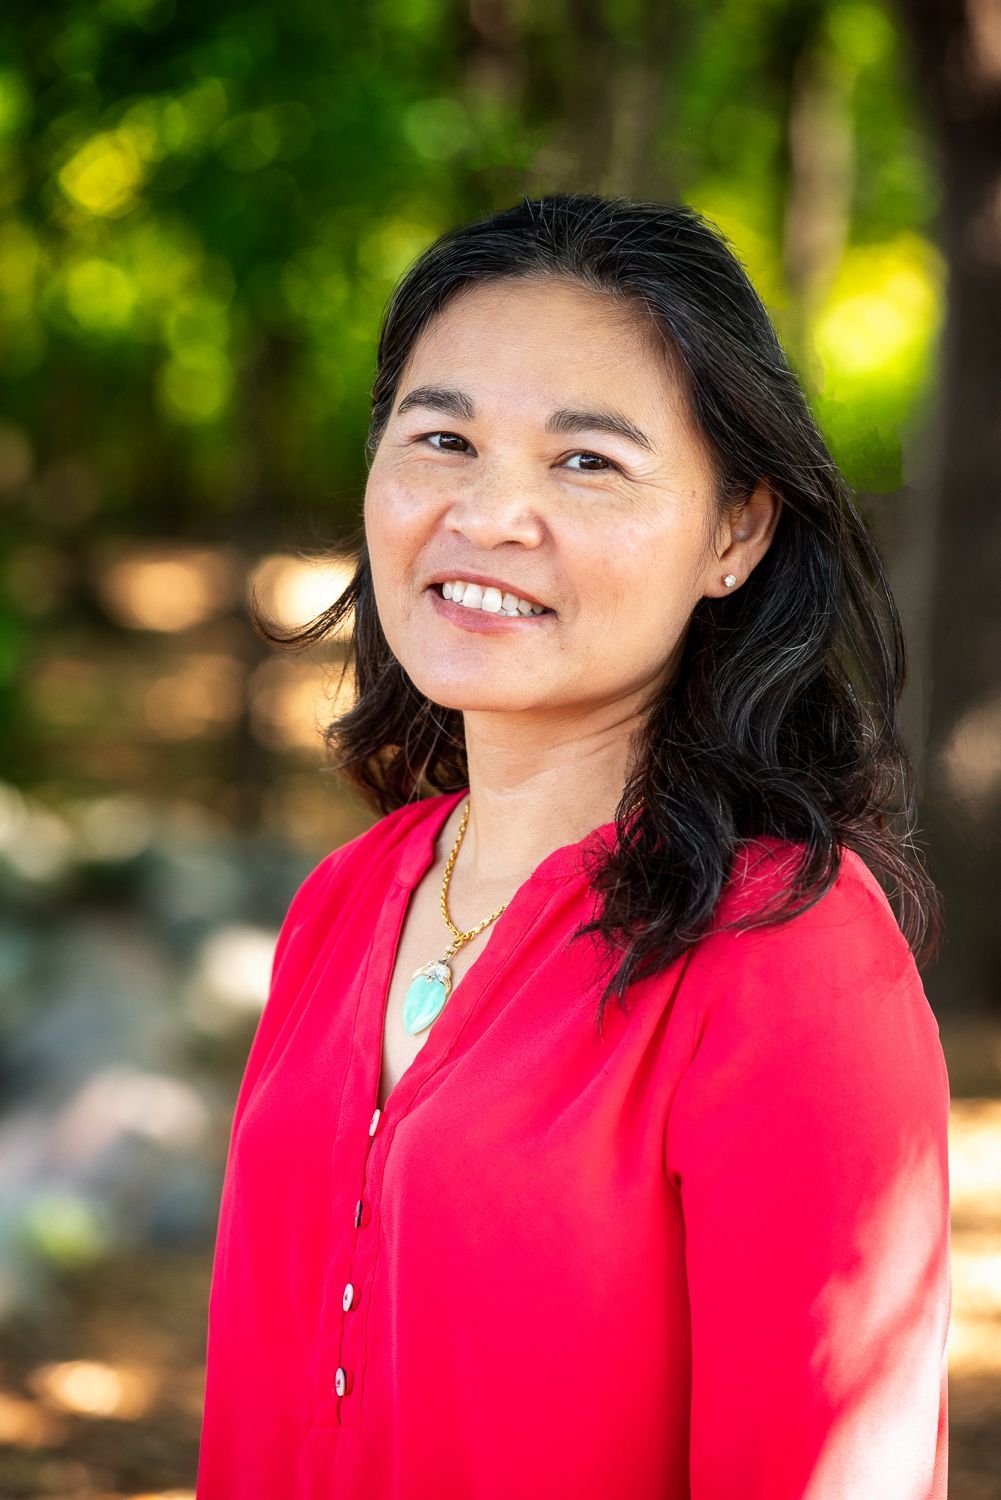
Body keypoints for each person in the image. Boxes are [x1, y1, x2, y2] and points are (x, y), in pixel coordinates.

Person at [195, 193, 951, 1499]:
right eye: (442, 439)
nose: (489, 516)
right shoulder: (345, 901)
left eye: (584, 460)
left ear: (736, 530)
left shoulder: (790, 959)